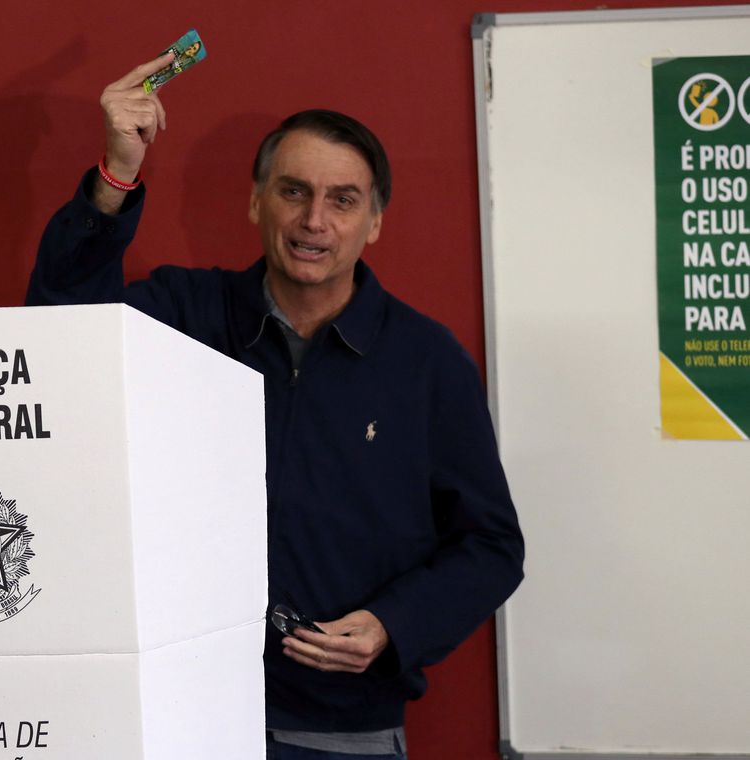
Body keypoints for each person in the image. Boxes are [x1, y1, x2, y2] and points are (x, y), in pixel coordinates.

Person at [27, 52, 525, 760]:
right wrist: (115, 175)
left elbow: (491, 546)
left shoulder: (427, 362)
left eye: (343, 200)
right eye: (293, 192)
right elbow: (59, 336)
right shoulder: (186, 316)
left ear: (375, 222)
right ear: (256, 203)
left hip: (339, 731)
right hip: (176, 711)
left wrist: (391, 625)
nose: (313, 220)